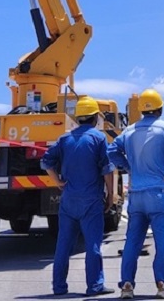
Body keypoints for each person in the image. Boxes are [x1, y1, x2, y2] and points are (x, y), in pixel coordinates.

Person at [108, 89, 164, 299]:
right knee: (162, 241)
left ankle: (127, 285)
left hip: (135, 195)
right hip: (158, 194)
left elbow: (111, 151)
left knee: (132, 242)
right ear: (160, 108)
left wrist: (128, 167)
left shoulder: (128, 131)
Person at [41, 96, 116, 297]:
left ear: (77, 118)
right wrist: (111, 195)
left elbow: (46, 162)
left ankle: (58, 287)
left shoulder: (64, 139)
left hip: (68, 200)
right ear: (95, 118)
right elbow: (107, 169)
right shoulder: (98, 138)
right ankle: (95, 286)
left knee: (63, 245)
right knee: (92, 245)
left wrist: (57, 181)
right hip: (91, 201)